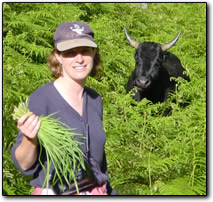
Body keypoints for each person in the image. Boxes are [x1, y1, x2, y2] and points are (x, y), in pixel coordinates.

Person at [11, 21, 117, 195]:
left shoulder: (95, 99)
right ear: (58, 56)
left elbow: (99, 162)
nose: (80, 59)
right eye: (70, 53)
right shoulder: (41, 99)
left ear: (94, 52)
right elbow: (23, 164)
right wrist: (30, 139)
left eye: (85, 51)